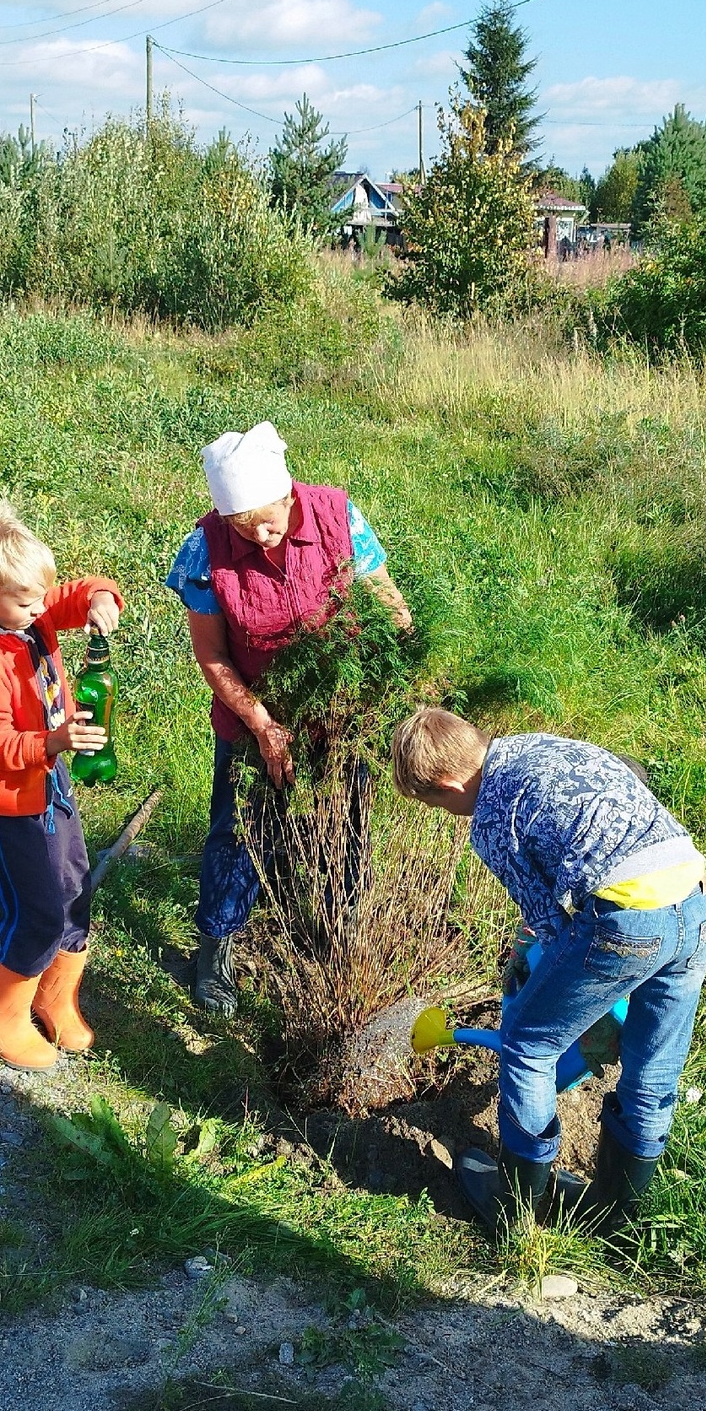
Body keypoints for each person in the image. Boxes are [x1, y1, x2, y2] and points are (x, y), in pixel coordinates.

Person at [390, 706, 706, 1227]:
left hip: (626, 921)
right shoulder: (540, 746)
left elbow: (549, 925)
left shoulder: (490, 816)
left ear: (449, 785)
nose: (444, 813)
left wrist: (536, 982)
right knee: (652, 1066)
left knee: (526, 1044)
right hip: (696, 902)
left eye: (432, 803)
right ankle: (619, 1218)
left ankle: (514, 1204)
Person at [165, 421, 411, 1017]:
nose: (262, 533)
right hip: (253, 707)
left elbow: (387, 602)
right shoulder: (205, 550)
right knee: (241, 830)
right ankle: (216, 948)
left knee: (347, 816)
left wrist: (407, 672)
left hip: (341, 703)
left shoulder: (337, 516)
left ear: (289, 493)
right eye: (244, 526)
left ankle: (338, 933)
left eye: (269, 518)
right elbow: (213, 655)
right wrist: (261, 722)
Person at [0, 501, 123, 1071]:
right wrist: (53, 743)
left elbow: (71, 593)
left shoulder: (26, 613)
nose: (42, 609)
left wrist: (99, 596)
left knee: (75, 890)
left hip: (50, 785)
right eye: (28, 601)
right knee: (34, 909)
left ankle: (52, 994)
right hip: (6, 804)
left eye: (40, 597)